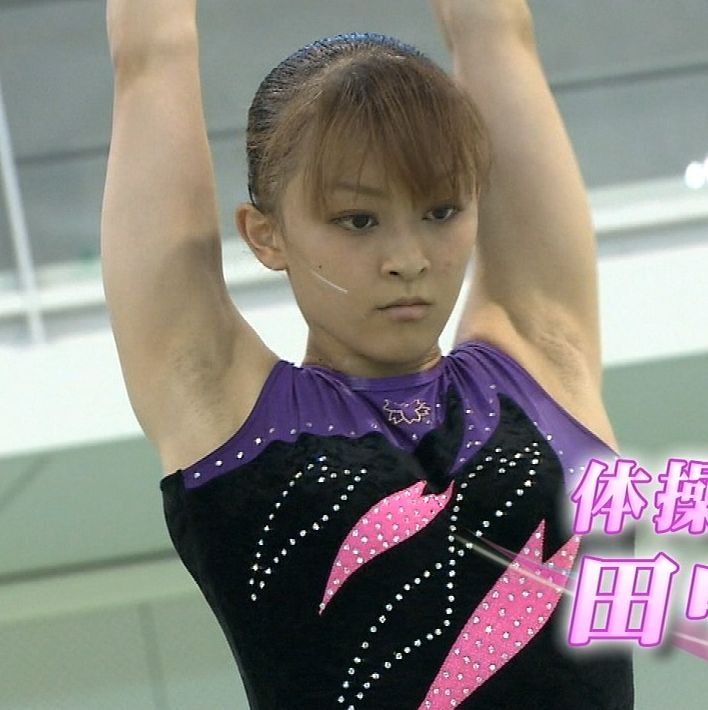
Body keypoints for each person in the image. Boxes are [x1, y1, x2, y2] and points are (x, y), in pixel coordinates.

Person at [102, 1, 634, 707]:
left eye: (441, 212)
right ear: (265, 235)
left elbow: (494, 26)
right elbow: (150, 57)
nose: (408, 258)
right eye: (358, 220)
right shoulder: (219, 405)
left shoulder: (543, 358)